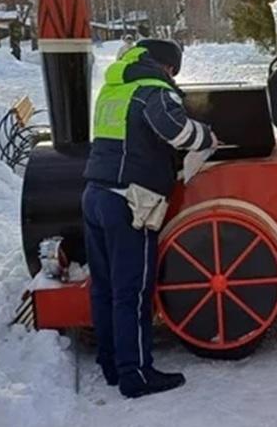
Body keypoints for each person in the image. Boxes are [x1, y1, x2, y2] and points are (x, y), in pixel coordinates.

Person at [82, 39, 218, 398]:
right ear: (167, 67)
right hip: (132, 200)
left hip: (95, 194)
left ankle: (111, 362)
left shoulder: (114, 89)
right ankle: (136, 374)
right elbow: (177, 132)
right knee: (134, 291)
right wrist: (209, 136)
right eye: (174, 70)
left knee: (105, 287)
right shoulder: (153, 91)